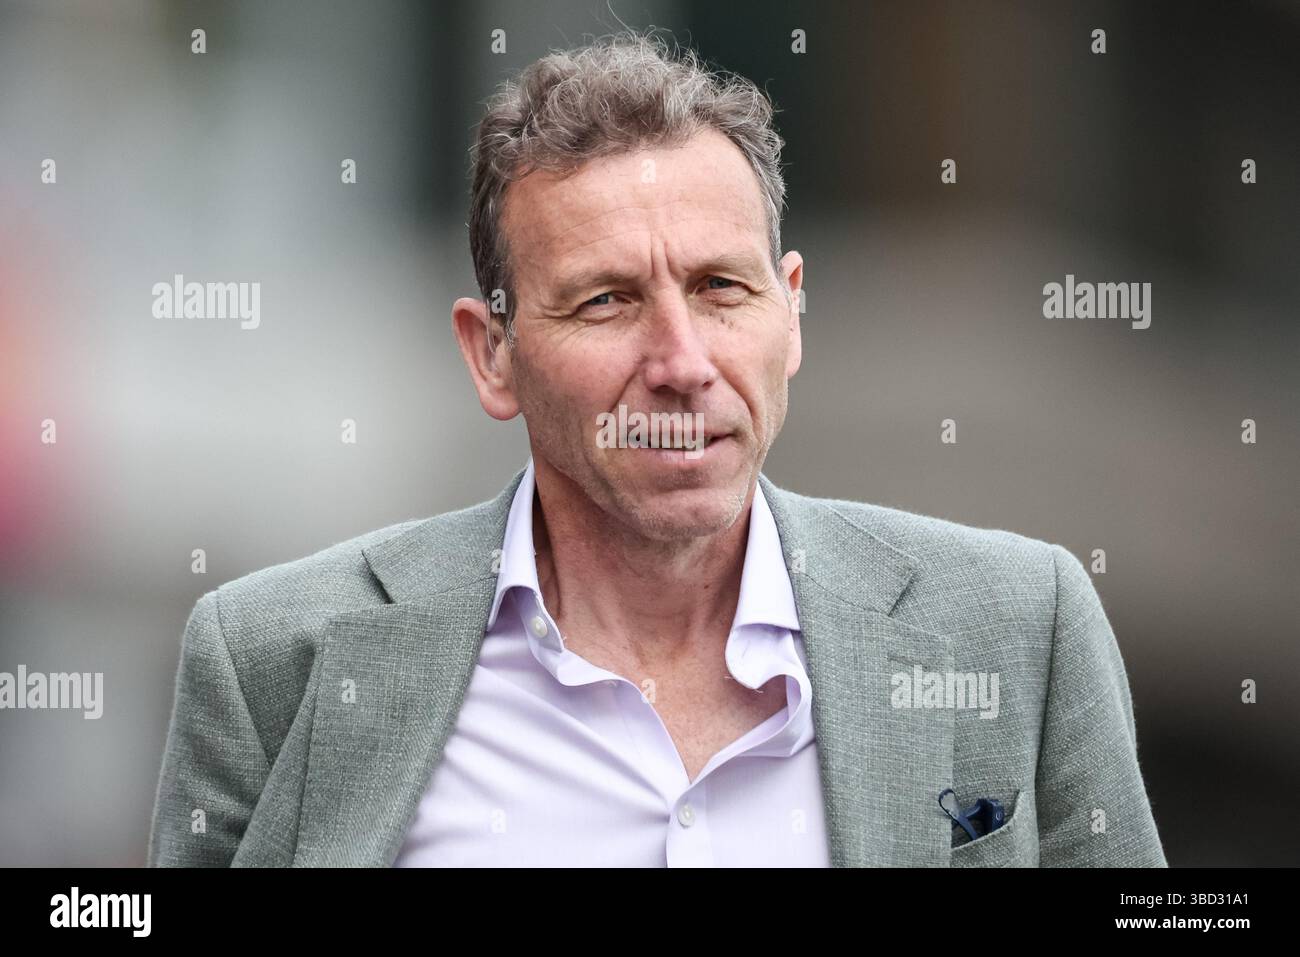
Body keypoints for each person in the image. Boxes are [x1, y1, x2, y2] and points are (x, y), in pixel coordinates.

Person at [148, 31, 1166, 867]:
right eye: (606, 301)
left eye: (722, 288)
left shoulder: (1019, 629)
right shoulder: (272, 662)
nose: (682, 361)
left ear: (791, 313)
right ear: (493, 353)